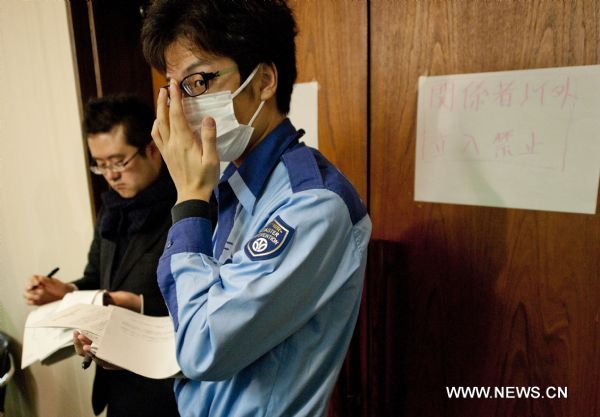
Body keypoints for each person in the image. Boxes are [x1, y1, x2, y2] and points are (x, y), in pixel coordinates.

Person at [23, 95, 179, 417]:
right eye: (101, 165)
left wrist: (132, 302)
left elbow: (197, 301)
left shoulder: (184, 209)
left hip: (168, 386)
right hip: (115, 382)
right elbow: (96, 280)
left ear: (152, 148)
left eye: (119, 161)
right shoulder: (112, 209)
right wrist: (64, 291)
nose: (111, 175)